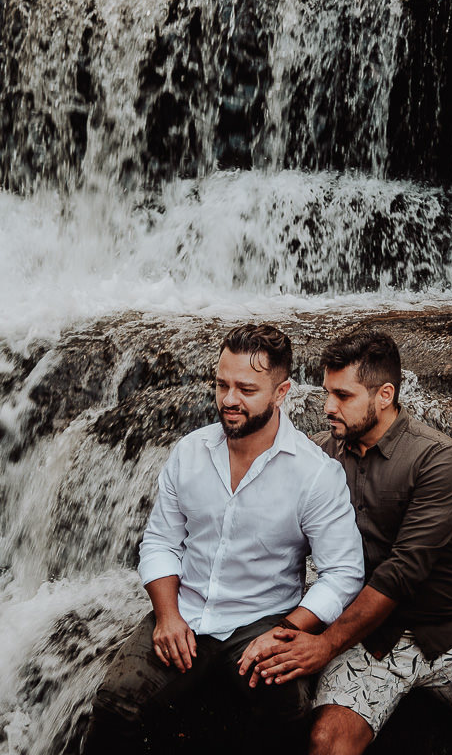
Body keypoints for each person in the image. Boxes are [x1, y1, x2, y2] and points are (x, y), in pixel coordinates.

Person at [250, 331, 452, 755]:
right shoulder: (317, 458)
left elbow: (404, 570)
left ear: (385, 395)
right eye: (327, 392)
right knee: (328, 741)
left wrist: (324, 645)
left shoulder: (436, 457)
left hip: (449, 629)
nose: (328, 406)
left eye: (343, 395)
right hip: (367, 639)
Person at [82, 323, 364, 753]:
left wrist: (289, 629)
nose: (229, 399)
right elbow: (160, 541)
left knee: (284, 710)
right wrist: (167, 616)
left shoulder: (315, 474)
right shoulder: (190, 452)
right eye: (222, 385)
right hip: (187, 609)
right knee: (115, 705)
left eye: (246, 389)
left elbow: (343, 572)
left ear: (281, 392)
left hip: (262, 618)